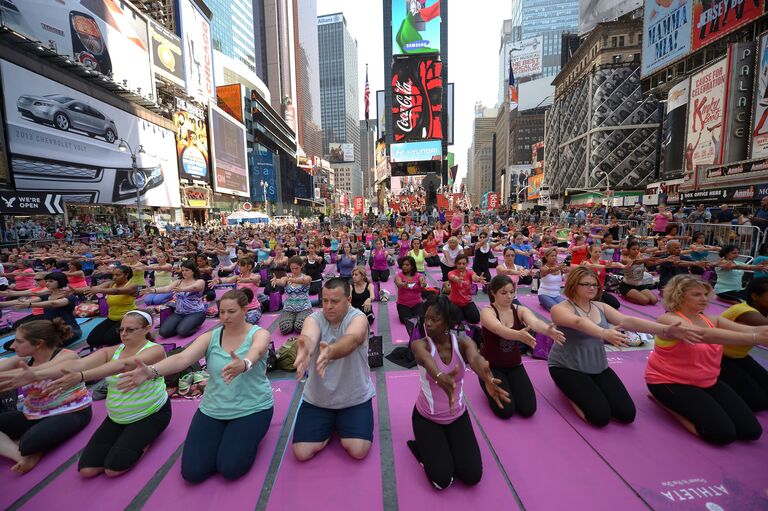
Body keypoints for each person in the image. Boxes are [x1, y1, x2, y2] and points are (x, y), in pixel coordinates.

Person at [119, 290, 273, 483]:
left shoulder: (259, 334)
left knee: (231, 468)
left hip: (252, 408)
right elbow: (183, 358)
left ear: (244, 310)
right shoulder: (211, 337)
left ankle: (248, 435)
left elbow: (256, 351)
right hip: (213, 409)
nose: (225, 317)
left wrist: (244, 364)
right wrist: (151, 371)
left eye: (231, 311)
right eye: (222, 311)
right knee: (193, 472)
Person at [0, 310, 169, 477]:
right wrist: (35, 375)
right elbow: (79, 364)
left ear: (147, 329)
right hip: (119, 416)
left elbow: (123, 365)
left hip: (150, 412)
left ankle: (146, 438)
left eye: (130, 330)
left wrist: (81, 377)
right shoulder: (112, 351)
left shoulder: (155, 350)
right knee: (87, 471)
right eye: (121, 329)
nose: (123, 334)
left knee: (113, 469)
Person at [548, 268, 700, 427]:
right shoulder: (560, 309)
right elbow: (578, 322)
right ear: (573, 285)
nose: (592, 288)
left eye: (594, 284)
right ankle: (565, 388)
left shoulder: (600, 306)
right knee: (599, 417)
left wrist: (664, 330)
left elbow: (627, 321)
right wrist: (603, 332)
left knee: (626, 414)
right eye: (585, 284)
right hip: (567, 366)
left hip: (597, 365)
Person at [647, 275, 767, 444]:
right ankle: (663, 401)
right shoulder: (669, 320)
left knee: (751, 432)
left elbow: (749, 330)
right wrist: (755, 338)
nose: (704, 299)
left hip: (707, 381)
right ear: (679, 296)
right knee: (721, 434)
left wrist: (759, 333)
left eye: (705, 294)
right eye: (697, 294)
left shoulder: (711, 319)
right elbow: (702, 335)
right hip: (670, 381)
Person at [408, 295, 508, 490]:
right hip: (427, 417)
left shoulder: (463, 343)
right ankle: (420, 446)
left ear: (447, 322)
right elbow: (426, 360)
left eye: (434, 319)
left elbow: (475, 358)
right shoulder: (420, 344)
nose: (427, 323)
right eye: (426, 318)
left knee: (472, 476)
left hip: (457, 415)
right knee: (442, 481)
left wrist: (486, 376)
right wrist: (439, 376)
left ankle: (441, 447)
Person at [291, 278, 374, 461]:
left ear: (349, 300)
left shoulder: (358, 318)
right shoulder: (315, 318)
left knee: (358, 450)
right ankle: (330, 426)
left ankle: (338, 423)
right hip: (318, 400)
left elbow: (352, 339)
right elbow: (308, 336)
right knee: (302, 452)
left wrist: (331, 351)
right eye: (325, 301)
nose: (328, 306)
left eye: (335, 301)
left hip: (354, 398)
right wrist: (304, 350)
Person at [0, 319, 92, 473]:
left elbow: (46, 369)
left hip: (71, 412)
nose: (12, 346)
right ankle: (21, 456)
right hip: (34, 414)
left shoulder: (67, 356)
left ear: (38, 344)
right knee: (25, 444)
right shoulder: (23, 359)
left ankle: (24, 446)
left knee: (29, 442)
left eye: (18, 341)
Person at [480, 276, 565, 419]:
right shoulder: (487, 312)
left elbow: (535, 322)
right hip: (491, 366)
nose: (509, 296)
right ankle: (484, 380)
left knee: (528, 409)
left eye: (511, 292)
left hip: (514, 365)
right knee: (506, 411)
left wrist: (547, 330)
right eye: (504, 292)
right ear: (493, 293)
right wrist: (518, 335)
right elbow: (499, 329)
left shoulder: (519, 309)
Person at [719, 277, 768, 412]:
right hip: (719, 357)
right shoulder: (743, 310)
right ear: (755, 296)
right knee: (758, 402)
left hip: (739, 357)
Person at [144, 260, 207, 338]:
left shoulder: (200, 281)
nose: (184, 272)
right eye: (183, 270)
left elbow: (194, 287)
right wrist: (152, 290)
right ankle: (182, 324)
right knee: (163, 332)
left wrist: (181, 289)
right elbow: (167, 289)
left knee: (183, 332)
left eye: (187, 270)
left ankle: (193, 324)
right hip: (179, 313)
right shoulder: (178, 282)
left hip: (196, 312)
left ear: (193, 271)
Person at [16, 273, 82, 344]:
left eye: (51, 281)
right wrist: (5, 303)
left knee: (50, 343)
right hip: (51, 332)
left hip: (70, 331)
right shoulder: (46, 296)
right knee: (15, 343)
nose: (47, 283)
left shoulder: (70, 297)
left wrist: (30, 305)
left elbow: (53, 304)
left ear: (60, 281)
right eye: (46, 281)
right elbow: (29, 300)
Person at [82, 265, 138, 347]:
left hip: (127, 317)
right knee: (92, 340)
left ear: (126, 275)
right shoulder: (110, 284)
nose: (114, 277)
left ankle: (134, 328)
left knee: (109, 339)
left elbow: (116, 291)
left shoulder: (133, 286)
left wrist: (100, 290)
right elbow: (92, 288)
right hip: (112, 318)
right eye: (113, 275)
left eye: (118, 275)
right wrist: (75, 290)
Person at [274, 256, 313, 334]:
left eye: (296, 268)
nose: (294, 270)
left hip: (304, 308)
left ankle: (299, 319)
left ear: (301, 266)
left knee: (299, 327)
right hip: (289, 309)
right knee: (285, 328)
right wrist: (276, 281)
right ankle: (293, 319)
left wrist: (293, 280)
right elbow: (281, 282)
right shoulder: (286, 278)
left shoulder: (306, 277)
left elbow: (304, 281)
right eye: (292, 268)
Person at [579, 244, 622, 309]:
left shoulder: (602, 262)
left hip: (600, 291)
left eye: (599, 252)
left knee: (616, 304)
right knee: (597, 307)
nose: (598, 254)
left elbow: (616, 263)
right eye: (595, 252)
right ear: (590, 252)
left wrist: (624, 266)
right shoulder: (585, 263)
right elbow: (592, 266)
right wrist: (604, 266)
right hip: (588, 291)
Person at [447, 254, 485, 324]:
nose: (461, 265)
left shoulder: (470, 272)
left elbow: (474, 277)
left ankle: (463, 313)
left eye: (464, 264)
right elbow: (452, 277)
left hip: (467, 303)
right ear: (456, 264)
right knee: (457, 321)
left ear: (467, 264)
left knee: (475, 319)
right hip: (455, 303)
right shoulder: (451, 273)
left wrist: (478, 279)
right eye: (459, 263)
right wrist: (457, 279)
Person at [619, 241, 659, 305]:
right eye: (633, 249)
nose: (636, 251)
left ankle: (637, 294)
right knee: (645, 301)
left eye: (638, 249)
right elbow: (636, 262)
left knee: (654, 300)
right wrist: (649, 259)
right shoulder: (625, 260)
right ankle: (625, 296)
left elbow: (651, 264)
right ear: (628, 250)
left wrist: (664, 260)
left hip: (639, 285)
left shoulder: (642, 259)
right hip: (627, 286)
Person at [395, 256, 428, 327]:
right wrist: (403, 284)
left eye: (407, 265)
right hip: (403, 304)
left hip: (417, 303)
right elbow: (398, 283)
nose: (404, 266)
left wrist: (423, 284)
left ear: (412, 266)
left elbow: (422, 281)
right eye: (403, 264)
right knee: (406, 321)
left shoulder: (418, 275)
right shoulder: (399, 275)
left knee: (420, 320)